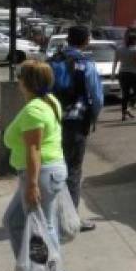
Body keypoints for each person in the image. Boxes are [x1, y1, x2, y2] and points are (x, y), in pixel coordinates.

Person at [1, 61, 67, 271]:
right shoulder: (47, 102)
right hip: (46, 171)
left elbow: (34, 149)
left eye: (21, 77)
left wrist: (31, 184)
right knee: (14, 220)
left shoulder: (35, 109)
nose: (18, 82)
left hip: (40, 174)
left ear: (27, 82)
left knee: (45, 226)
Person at [50, 25, 103, 233]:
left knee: (54, 169)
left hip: (52, 121)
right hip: (76, 122)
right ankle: (71, 219)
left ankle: (52, 215)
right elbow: (96, 97)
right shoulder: (85, 64)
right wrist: (93, 118)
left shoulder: (53, 61)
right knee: (73, 170)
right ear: (86, 40)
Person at [113, 29, 136, 122]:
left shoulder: (119, 48)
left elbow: (115, 61)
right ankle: (129, 108)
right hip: (134, 74)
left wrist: (113, 73)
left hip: (122, 73)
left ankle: (124, 115)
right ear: (135, 40)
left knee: (125, 94)